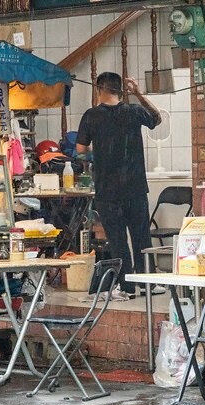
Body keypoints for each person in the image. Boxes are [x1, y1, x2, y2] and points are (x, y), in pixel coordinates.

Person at [76, 72, 165, 300]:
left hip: (107, 191)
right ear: (121, 90)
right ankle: (148, 284)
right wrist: (138, 93)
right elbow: (157, 119)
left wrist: (101, 152)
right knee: (141, 237)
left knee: (117, 241)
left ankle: (126, 288)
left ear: (99, 90)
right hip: (135, 189)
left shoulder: (91, 116)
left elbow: (80, 150)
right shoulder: (134, 111)